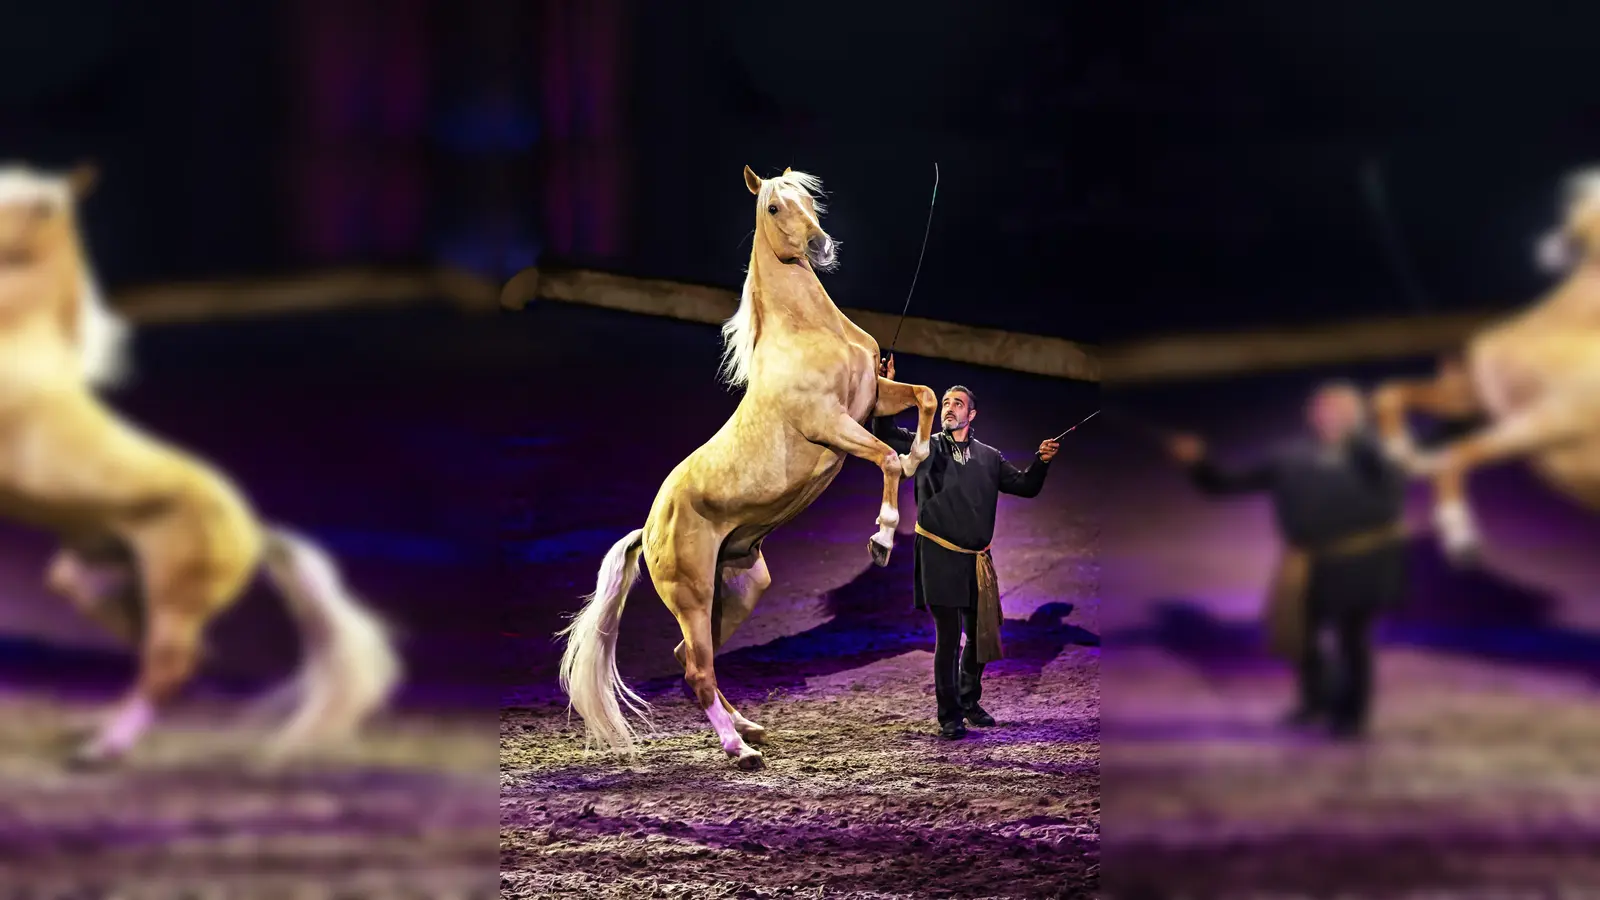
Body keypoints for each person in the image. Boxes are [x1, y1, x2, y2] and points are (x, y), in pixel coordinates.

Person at [1166, 381, 1407, 739]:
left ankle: (1351, 716)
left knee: (1351, 639)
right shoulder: (1290, 457)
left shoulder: (1373, 457)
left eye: (1341, 411)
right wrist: (1198, 463)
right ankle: (1316, 703)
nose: (1331, 418)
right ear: (1312, 415)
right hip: (1307, 563)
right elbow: (1225, 484)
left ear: (1356, 417)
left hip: (1359, 563)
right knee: (1303, 636)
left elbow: (1390, 500)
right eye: (1324, 410)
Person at [873, 355, 1060, 739]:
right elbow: (885, 429)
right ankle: (949, 715)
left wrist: (1041, 462)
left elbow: (1026, 486)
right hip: (937, 555)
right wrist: (885, 386)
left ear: (971, 415)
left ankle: (969, 699)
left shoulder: (990, 457)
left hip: (977, 561)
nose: (949, 408)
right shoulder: (924, 446)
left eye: (957, 404)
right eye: (945, 403)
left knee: (978, 634)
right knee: (948, 636)